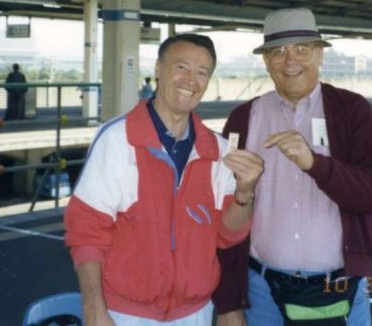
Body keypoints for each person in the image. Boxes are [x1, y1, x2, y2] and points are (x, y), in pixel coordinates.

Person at [64, 33, 263, 326]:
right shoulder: (117, 140)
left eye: (202, 72)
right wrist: (94, 309)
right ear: (158, 69)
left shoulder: (217, 150)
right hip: (123, 313)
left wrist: (245, 193)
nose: (190, 80)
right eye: (181, 67)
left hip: (195, 312)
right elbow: (86, 231)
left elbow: (227, 234)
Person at [213, 8, 372, 326]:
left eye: (302, 49)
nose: (290, 60)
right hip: (260, 291)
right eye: (277, 52)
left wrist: (316, 165)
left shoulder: (352, 110)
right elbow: (221, 209)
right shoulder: (243, 118)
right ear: (266, 61)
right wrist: (228, 302)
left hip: (338, 288)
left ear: (320, 55)